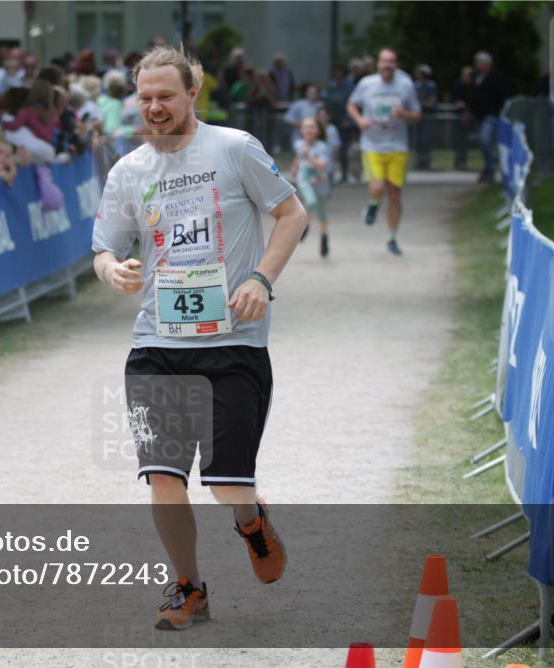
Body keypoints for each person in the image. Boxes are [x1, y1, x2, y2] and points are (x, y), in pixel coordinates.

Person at [92, 45, 306, 631]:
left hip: (234, 343)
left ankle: (251, 520)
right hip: (156, 345)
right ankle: (189, 588)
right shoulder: (128, 171)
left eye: (166, 96)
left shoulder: (234, 149)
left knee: (227, 487)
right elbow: (105, 248)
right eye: (145, 98)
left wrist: (262, 277)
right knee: (162, 477)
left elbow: (293, 214)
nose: (155, 107)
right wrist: (112, 269)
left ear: (193, 93)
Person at [346, 47, 421, 256]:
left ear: (396, 64)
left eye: (392, 61)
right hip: (372, 144)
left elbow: (417, 114)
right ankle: (372, 205)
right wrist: (360, 119)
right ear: (378, 64)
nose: (387, 65)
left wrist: (403, 114)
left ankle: (392, 237)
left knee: (394, 194)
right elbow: (351, 104)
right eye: (384, 61)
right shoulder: (367, 84)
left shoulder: (406, 85)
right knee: (378, 187)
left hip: (397, 146)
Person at [291, 117, 332, 257]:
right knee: (310, 201)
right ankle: (305, 227)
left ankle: (324, 239)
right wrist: (295, 167)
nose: (309, 130)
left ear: (318, 130)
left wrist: (308, 154)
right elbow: (297, 157)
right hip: (304, 180)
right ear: (301, 130)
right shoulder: (298, 144)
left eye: (312, 127)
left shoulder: (322, 147)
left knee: (322, 214)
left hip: (320, 182)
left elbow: (323, 166)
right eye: (306, 127)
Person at [467, 51, 507, 183]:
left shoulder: (495, 78)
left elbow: (501, 96)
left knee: (486, 141)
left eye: (479, 62)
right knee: (483, 142)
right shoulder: (477, 78)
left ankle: (490, 168)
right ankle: (488, 167)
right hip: (479, 116)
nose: (476, 65)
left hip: (490, 115)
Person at [413, 64, 437, 170]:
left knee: (426, 139)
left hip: (427, 115)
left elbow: (431, 102)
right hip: (417, 116)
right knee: (417, 140)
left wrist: (421, 104)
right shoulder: (416, 85)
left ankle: (426, 162)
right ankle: (419, 162)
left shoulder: (431, 85)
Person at [451, 66, 473, 171]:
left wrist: (467, 107)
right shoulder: (458, 85)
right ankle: (458, 160)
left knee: (466, 140)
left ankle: (463, 160)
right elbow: (454, 99)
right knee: (458, 139)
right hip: (458, 117)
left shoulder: (473, 87)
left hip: (470, 118)